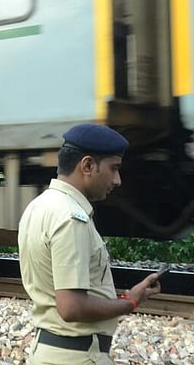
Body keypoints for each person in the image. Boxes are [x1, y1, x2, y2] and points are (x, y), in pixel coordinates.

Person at [18, 124, 163, 364]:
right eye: (113, 168)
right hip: (77, 357)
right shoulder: (71, 218)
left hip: (48, 351)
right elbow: (71, 307)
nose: (117, 180)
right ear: (87, 166)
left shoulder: (39, 206)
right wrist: (129, 303)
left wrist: (127, 295)